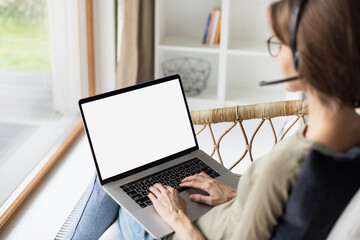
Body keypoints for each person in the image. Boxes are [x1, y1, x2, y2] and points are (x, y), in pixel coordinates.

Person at [68, 0, 360, 239]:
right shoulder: (350, 138)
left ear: (304, 59)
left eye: (279, 44)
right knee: (127, 177)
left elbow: (275, 185)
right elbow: (276, 204)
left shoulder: (285, 167)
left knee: (115, 179)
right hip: (220, 213)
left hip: (188, 233)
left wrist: (177, 216)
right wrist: (237, 194)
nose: (275, 54)